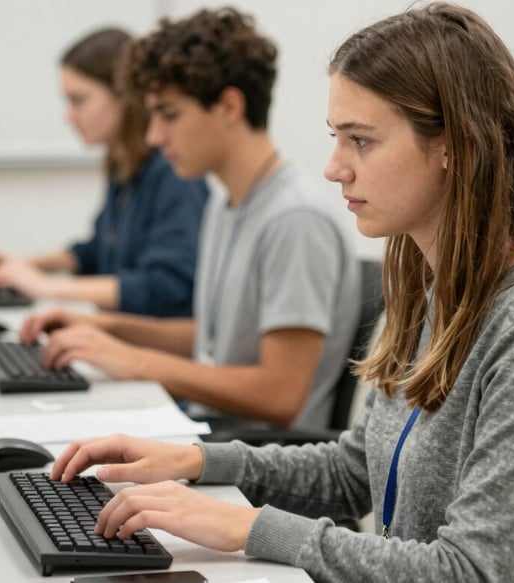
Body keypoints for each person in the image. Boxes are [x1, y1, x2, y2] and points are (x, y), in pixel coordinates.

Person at [45, 3, 514, 581]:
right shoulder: (430, 286)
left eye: (361, 141)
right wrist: (194, 460)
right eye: (337, 138)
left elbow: (468, 570)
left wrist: (247, 526)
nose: (334, 167)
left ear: (454, 147)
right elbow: (353, 472)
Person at [19, 8, 361, 430]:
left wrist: (135, 361)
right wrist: (103, 327)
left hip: (254, 458)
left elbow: (280, 395)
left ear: (229, 106)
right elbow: (212, 342)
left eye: (169, 115)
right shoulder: (226, 202)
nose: (153, 136)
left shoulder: (295, 219)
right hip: (208, 431)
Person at [0, 28, 209, 317]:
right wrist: (21, 266)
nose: (69, 116)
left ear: (123, 95)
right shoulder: (122, 162)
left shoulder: (174, 172)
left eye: (79, 100)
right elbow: (96, 252)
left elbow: (165, 286)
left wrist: (45, 287)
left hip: (154, 348)